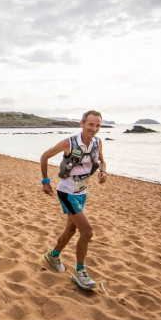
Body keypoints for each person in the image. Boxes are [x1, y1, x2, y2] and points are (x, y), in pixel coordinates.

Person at [40, 110, 108, 290]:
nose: (94, 129)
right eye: (91, 124)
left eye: (98, 125)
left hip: (81, 192)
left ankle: (53, 255)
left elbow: (102, 161)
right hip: (66, 192)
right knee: (87, 232)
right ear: (82, 124)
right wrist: (45, 181)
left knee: (71, 229)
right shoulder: (68, 143)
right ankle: (79, 271)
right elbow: (44, 156)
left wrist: (103, 172)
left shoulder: (97, 142)